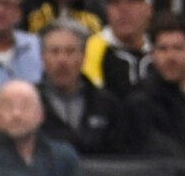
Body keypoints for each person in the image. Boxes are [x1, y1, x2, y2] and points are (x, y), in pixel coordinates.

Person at [117, 14, 185, 157]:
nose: (170, 57)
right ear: (152, 54)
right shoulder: (140, 102)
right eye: (163, 49)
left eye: (178, 48)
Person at [36, 23, 123, 156]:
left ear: (83, 57)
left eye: (70, 51)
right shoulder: (29, 103)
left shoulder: (106, 103)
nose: (62, 60)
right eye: (54, 51)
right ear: (42, 58)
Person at [86, 0, 159, 95]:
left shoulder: (160, 48)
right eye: (115, 3)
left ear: (149, 9)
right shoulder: (92, 48)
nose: (123, 10)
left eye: (132, 2)